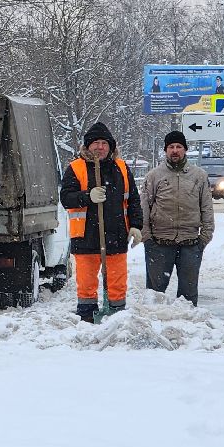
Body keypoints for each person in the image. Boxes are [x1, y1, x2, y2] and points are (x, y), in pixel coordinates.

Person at [60, 121, 143, 322]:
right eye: (95, 143)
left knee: (117, 282)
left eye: (104, 143)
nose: (100, 147)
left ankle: (116, 316)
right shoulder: (76, 168)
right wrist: (87, 196)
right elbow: (66, 198)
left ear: (110, 146)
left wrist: (135, 225)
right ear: (88, 146)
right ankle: (87, 318)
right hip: (86, 237)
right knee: (86, 283)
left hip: (116, 235)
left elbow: (132, 199)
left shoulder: (121, 168)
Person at [138, 129, 214, 305]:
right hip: (159, 243)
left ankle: (188, 329)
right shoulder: (154, 176)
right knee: (155, 296)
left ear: (185, 149)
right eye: (171, 147)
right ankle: (154, 326)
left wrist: (205, 237)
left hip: (190, 243)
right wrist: (147, 238)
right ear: (166, 150)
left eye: (179, 146)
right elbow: (144, 208)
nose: (175, 150)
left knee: (188, 297)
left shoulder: (199, 176)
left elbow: (207, 208)